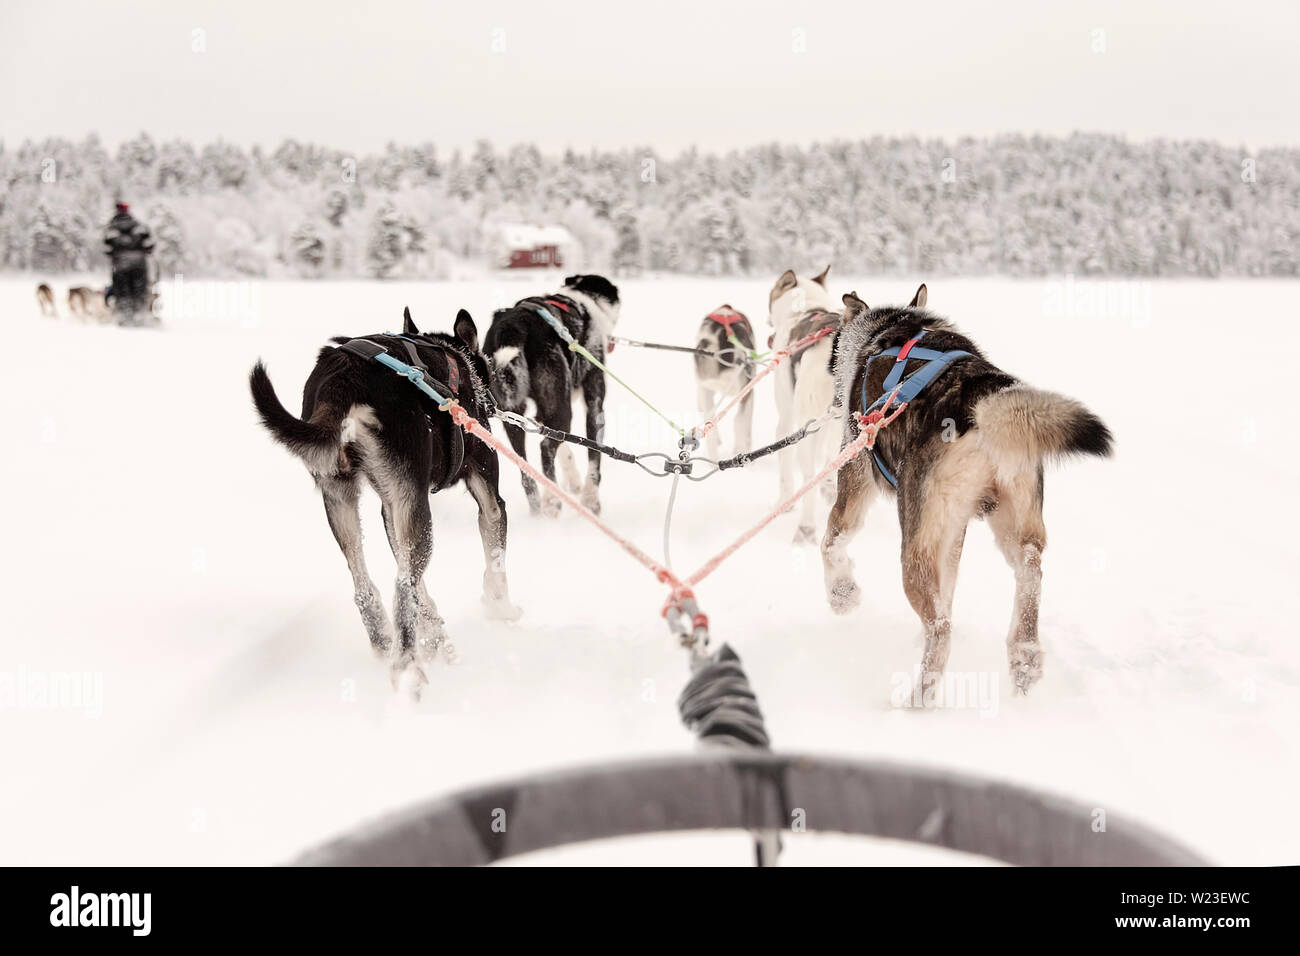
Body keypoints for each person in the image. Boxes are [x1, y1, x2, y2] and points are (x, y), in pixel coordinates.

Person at [103, 202, 155, 324]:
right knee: (139, 290)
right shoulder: (139, 226)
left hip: (120, 265)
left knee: (122, 290)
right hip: (139, 264)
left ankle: (123, 316)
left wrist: (116, 253)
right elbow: (149, 245)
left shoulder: (111, 228)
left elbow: (107, 249)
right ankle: (140, 315)